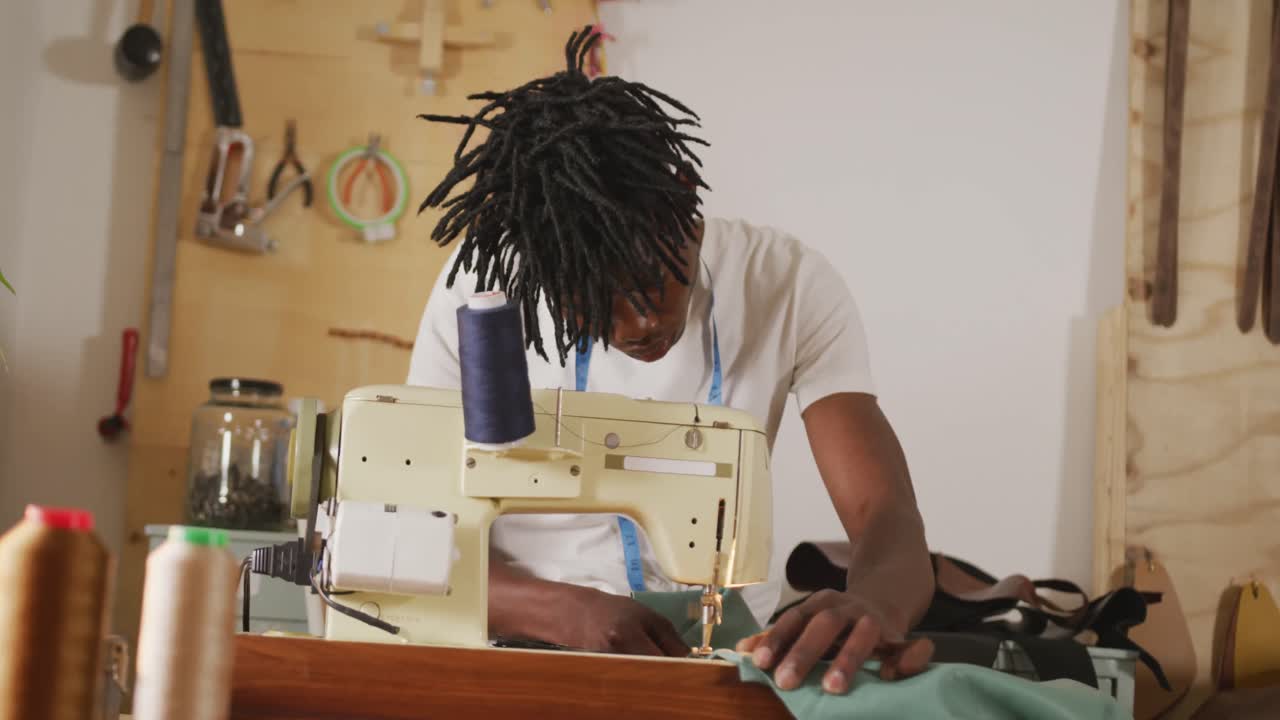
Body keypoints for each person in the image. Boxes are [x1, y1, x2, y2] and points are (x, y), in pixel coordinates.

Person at [406, 28, 935, 695]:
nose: (639, 325)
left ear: (687, 201)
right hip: (520, 647)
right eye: (591, 308)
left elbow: (883, 513)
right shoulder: (480, 299)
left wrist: (876, 604)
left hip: (724, 655)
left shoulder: (787, 285)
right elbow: (410, 533)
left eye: (652, 287)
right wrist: (559, 610)